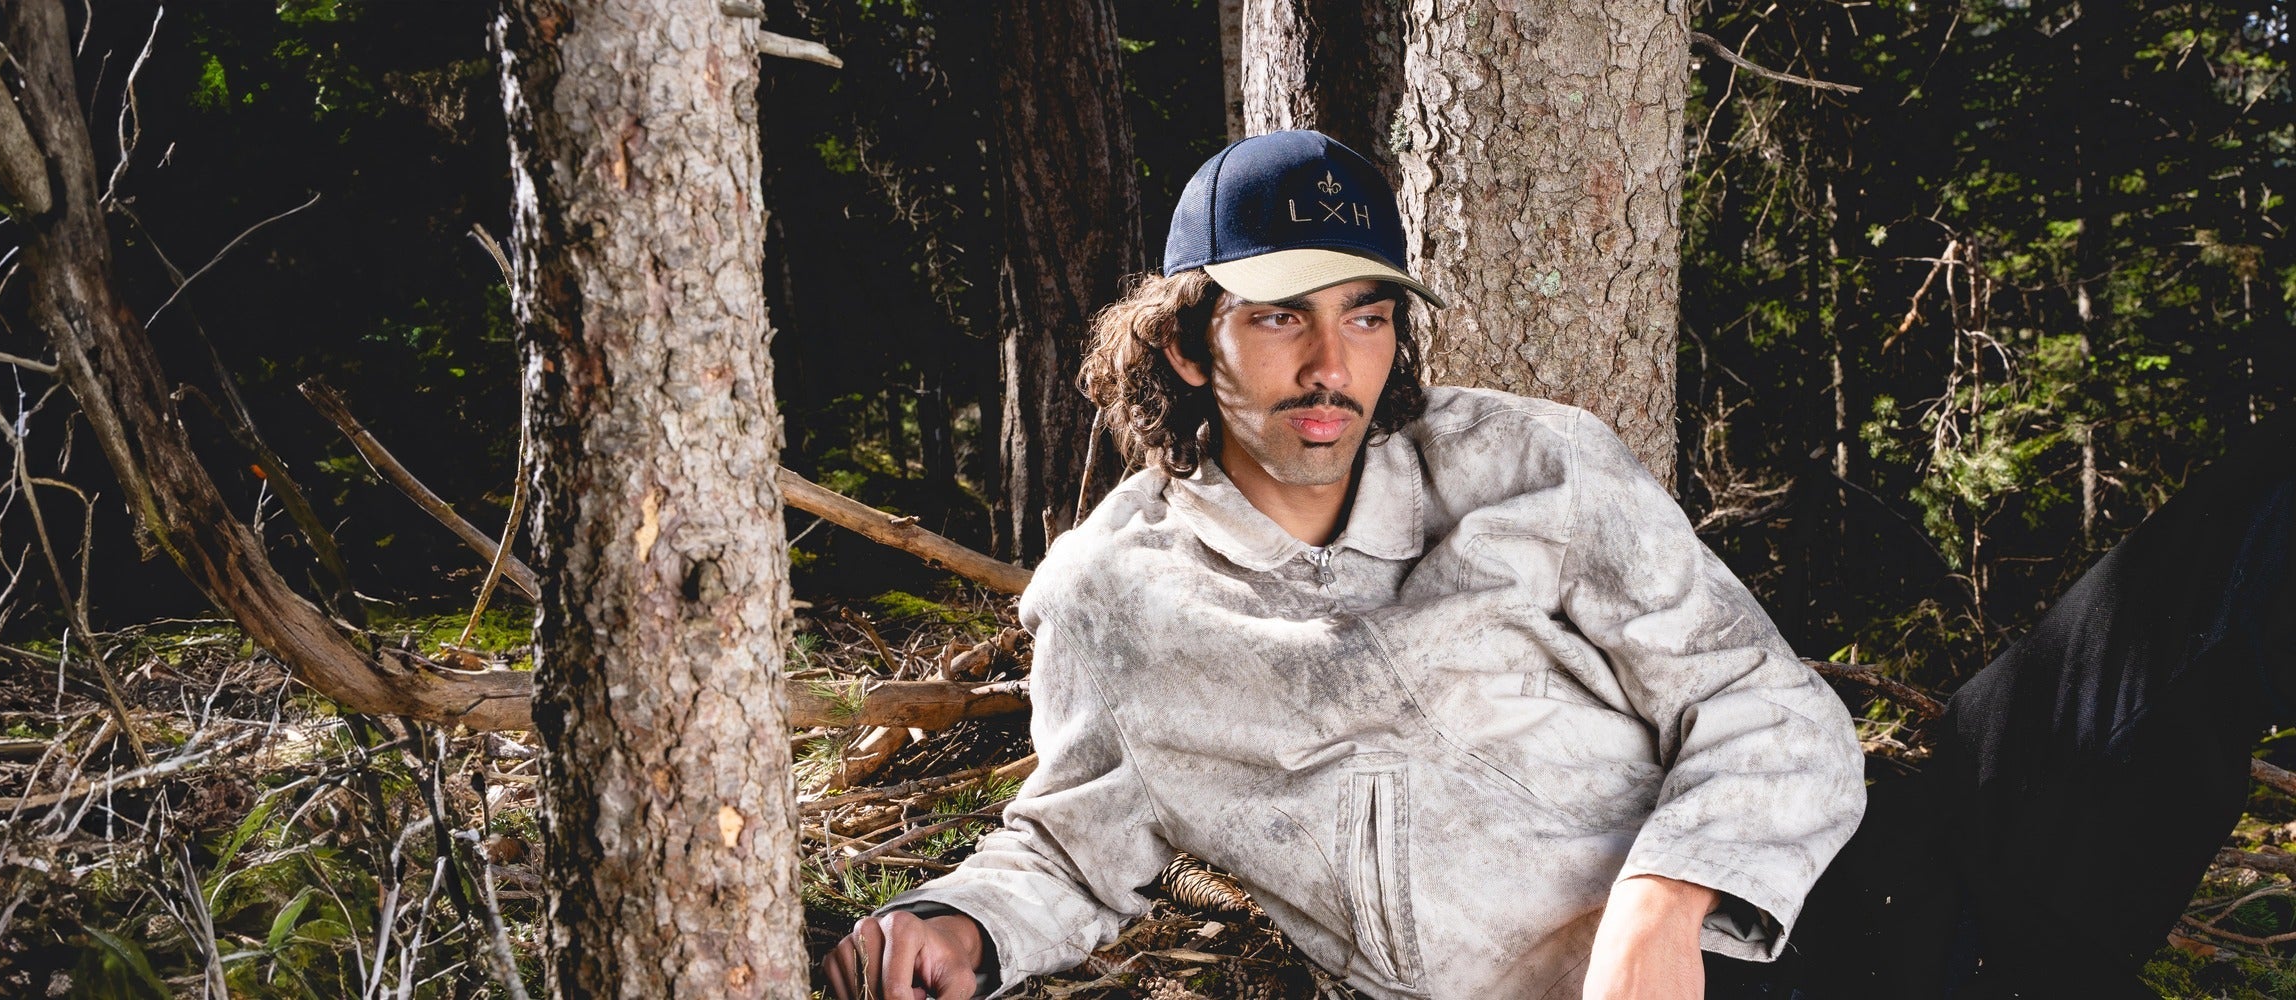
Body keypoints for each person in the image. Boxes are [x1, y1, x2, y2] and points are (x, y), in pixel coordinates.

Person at [818, 129, 2296, 1000]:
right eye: (1279, 319)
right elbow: (1076, 839)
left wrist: (1664, 908)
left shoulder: (1530, 462)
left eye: (1370, 314)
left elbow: (1768, 712)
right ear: (1191, 335)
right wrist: (960, 923)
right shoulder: (1117, 598)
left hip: (1856, 904)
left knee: (2194, 598)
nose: (1332, 366)